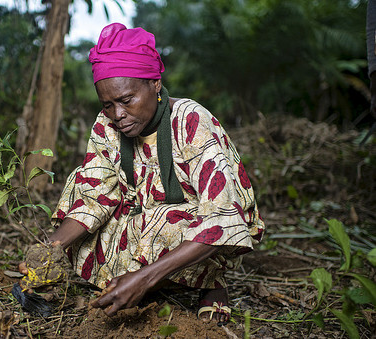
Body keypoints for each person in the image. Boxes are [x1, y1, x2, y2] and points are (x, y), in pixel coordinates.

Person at [18, 23, 265, 325]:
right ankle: (151, 281)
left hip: (193, 226)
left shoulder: (190, 121)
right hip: (143, 222)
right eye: (107, 104)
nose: (117, 114)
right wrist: (49, 251)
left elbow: (223, 216)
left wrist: (144, 279)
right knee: (78, 199)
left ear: (155, 84)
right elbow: (94, 194)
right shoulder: (106, 124)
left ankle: (210, 285)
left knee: (166, 224)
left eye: (126, 100)